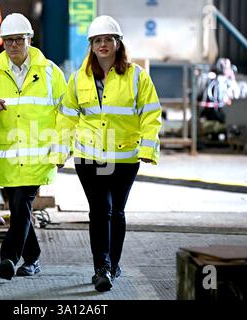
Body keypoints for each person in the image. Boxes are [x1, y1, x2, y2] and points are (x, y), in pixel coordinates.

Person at [53, 15, 162, 292]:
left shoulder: (137, 77)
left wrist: (148, 148)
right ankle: (101, 268)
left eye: (108, 40)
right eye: (97, 40)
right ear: (91, 45)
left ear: (118, 43)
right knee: (100, 210)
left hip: (124, 157)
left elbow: (151, 114)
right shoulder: (79, 79)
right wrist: (60, 152)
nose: (103, 45)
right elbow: (67, 117)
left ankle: (113, 264)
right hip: (89, 158)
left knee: (117, 212)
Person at [0, 13, 66, 280]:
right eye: (8, 40)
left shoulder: (50, 72)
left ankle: (8, 258)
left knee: (22, 202)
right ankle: (32, 258)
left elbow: (67, 113)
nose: (13, 46)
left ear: (29, 40)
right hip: (8, 156)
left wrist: (62, 148)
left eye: (18, 40)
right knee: (19, 207)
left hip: (39, 155)